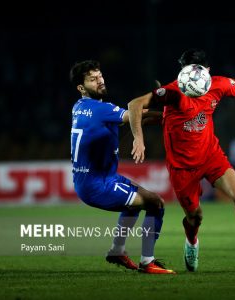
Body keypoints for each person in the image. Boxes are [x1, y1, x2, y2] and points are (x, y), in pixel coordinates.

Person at [127, 49, 235, 272]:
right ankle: (191, 243)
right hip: (182, 167)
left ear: (206, 71)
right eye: (185, 70)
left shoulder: (218, 84)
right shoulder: (172, 91)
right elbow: (134, 104)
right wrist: (138, 140)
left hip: (211, 155)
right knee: (195, 217)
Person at [70, 60, 175, 274]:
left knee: (135, 204)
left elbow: (136, 117)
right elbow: (134, 112)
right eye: (93, 79)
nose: (100, 81)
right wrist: (139, 138)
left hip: (97, 179)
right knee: (156, 204)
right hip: (98, 184)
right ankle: (148, 262)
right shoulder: (102, 109)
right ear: (81, 87)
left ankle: (117, 250)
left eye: (100, 76)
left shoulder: (80, 107)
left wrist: (167, 118)